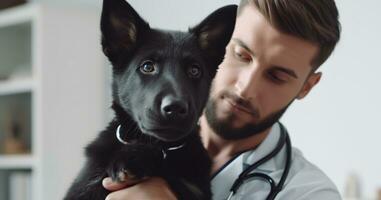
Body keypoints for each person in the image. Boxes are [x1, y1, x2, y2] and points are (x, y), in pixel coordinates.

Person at [102, 0, 342, 199]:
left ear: (306, 87)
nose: (245, 88)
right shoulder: (130, 143)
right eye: (241, 55)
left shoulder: (312, 193)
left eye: (276, 76)